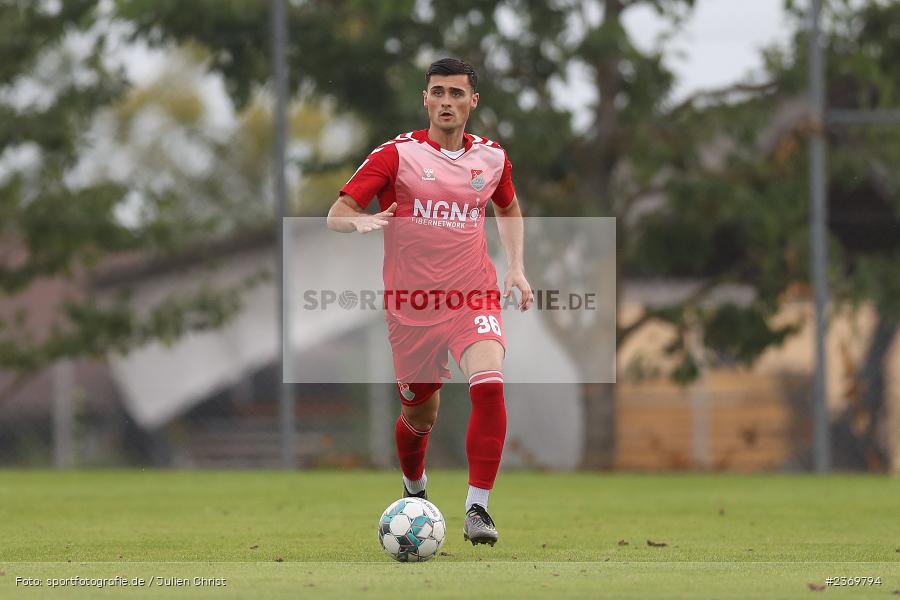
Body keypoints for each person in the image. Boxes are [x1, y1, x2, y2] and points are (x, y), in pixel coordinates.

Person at [326, 57, 532, 547]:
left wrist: (516, 268)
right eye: (437, 92)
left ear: (472, 101)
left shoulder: (492, 158)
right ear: (425, 99)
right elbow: (338, 210)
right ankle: (414, 489)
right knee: (420, 417)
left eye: (456, 93)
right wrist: (357, 221)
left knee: (489, 385)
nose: (446, 102)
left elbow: (508, 209)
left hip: (472, 295)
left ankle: (477, 508)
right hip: (411, 307)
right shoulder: (397, 155)